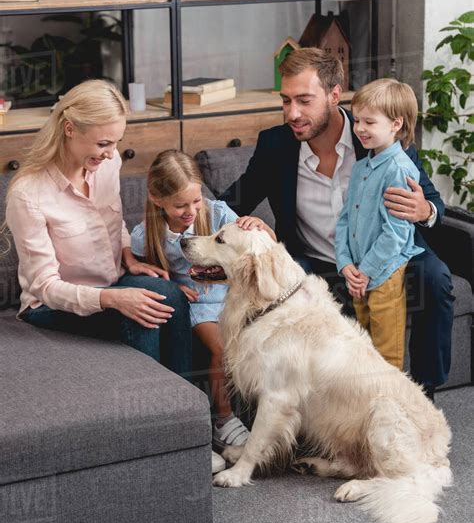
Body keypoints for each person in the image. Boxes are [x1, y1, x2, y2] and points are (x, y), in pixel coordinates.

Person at [219, 48, 454, 400]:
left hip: (388, 255)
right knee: (279, 291)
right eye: (285, 101)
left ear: (334, 95)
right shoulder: (276, 145)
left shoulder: (378, 137)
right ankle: (293, 407)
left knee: (434, 278)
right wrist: (252, 232)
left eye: (304, 100)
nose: (292, 113)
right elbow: (231, 203)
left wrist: (424, 211)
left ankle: (423, 392)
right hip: (314, 262)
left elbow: (435, 205)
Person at [5, 79, 192, 378]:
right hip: (53, 305)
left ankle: (192, 408)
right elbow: (45, 287)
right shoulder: (28, 195)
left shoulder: (107, 163)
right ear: (69, 129)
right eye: (103, 143)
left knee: (171, 296)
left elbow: (113, 220)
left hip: (111, 282)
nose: (110, 153)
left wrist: (128, 256)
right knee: (142, 317)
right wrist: (112, 299)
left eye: (116, 142)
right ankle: (151, 417)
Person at [130, 150, 276, 470]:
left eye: (195, 201)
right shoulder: (147, 234)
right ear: (158, 200)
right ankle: (223, 420)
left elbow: (264, 247)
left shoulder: (217, 213)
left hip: (229, 296)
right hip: (197, 304)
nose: (191, 211)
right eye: (181, 205)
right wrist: (170, 285)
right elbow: (135, 267)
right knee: (223, 347)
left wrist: (262, 227)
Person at [335, 79, 425, 370]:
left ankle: (394, 407)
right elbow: (345, 219)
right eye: (357, 120)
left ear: (396, 124)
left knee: (387, 355)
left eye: (369, 122)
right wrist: (345, 263)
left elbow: (396, 233)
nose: (359, 128)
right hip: (359, 274)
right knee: (365, 348)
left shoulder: (399, 170)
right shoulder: (362, 167)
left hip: (384, 273)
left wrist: (365, 272)